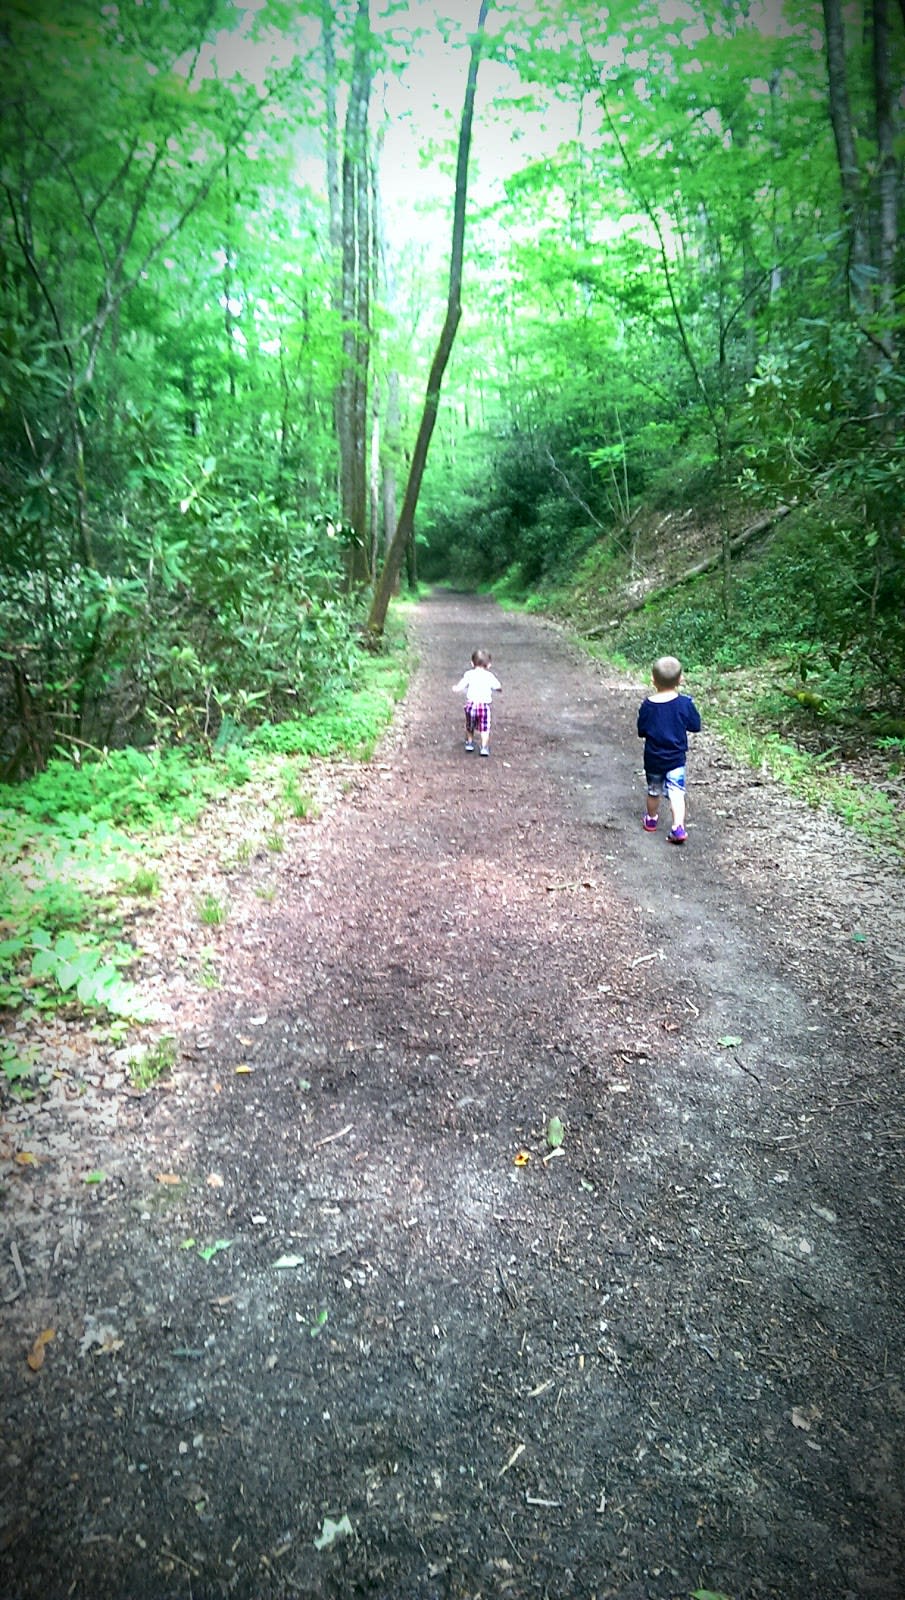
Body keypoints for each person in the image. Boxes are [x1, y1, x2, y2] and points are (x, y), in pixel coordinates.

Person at [637, 655, 701, 844]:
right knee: (677, 791)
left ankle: (651, 820)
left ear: (653, 680)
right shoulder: (685, 704)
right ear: (680, 680)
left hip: (653, 757)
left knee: (654, 790)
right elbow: (695, 725)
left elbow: (641, 730)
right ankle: (678, 827)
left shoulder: (648, 705)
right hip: (676, 758)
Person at [453, 649, 501, 756]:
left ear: (472, 663)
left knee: (469, 725)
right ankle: (484, 747)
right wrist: (498, 689)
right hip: (483, 706)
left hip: (471, 705)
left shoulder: (469, 674)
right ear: (489, 665)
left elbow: (461, 685)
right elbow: (498, 686)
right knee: (485, 728)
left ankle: (469, 743)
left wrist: (456, 688)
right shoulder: (489, 676)